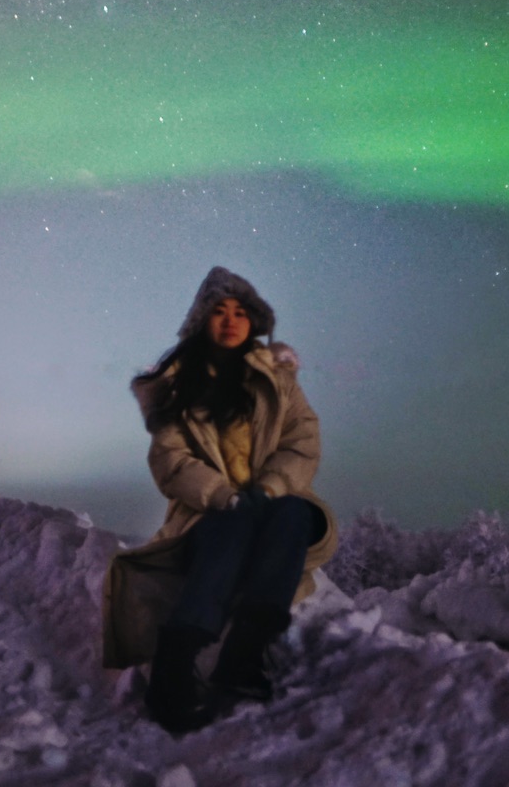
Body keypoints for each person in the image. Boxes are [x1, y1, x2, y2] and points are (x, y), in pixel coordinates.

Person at [101, 267, 340, 733]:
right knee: (231, 525)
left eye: (240, 312)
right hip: (207, 516)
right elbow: (170, 460)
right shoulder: (175, 387)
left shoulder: (279, 381)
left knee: (294, 511)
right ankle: (173, 667)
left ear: (254, 322)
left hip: (271, 508)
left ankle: (244, 657)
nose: (231, 321)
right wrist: (225, 496)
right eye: (219, 311)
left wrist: (268, 488)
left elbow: (303, 442)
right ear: (200, 320)